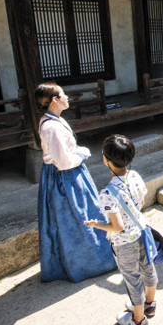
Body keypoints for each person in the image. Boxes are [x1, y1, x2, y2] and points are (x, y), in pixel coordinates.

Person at [35, 83, 115, 283]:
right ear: (54, 100)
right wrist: (83, 153)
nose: (67, 97)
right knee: (77, 218)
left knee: (83, 215)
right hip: (65, 178)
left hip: (68, 175)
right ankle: (88, 262)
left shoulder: (54, 120)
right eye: (63, 94)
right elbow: (64, 161)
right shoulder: (51, 126)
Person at [85, 135, 156, 325]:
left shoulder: (108, 193)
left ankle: (138, 318)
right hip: (142, 231)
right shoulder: (135, 176)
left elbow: (117, 227)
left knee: (132, 278)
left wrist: (96, 224)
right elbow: (141, 201)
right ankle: (150, 303)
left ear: (106, 160)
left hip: (124, 242)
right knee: (147, 268)